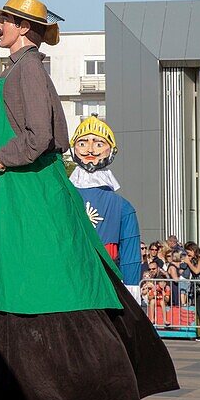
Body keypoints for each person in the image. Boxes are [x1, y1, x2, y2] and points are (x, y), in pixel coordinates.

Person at [0, 0, 178, 400]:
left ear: (24, 29)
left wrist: (1, 156)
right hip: (29, 197)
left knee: (42, 293)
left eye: (4, 21)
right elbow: (50, 129)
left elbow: (43, 137)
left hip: (31, 195)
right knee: (34, 292)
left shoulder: (28, 72)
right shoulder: (22, 72)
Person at [70, 117, 142, 301]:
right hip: (68, 278)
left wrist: (131, 288)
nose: (91, 150)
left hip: (108, 283)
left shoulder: (123, 208)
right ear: (73, 149)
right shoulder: (61, 199)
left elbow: (130, 253)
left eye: (99, 143)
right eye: (83, 143)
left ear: (112, 150)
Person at [183, 243, 200, 339]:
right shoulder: (192, 260)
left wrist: (189, 263)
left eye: (188, 252)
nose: (187, 254)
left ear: (193, 250)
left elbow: (197, 271)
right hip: (196, 288)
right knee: (199, 312)